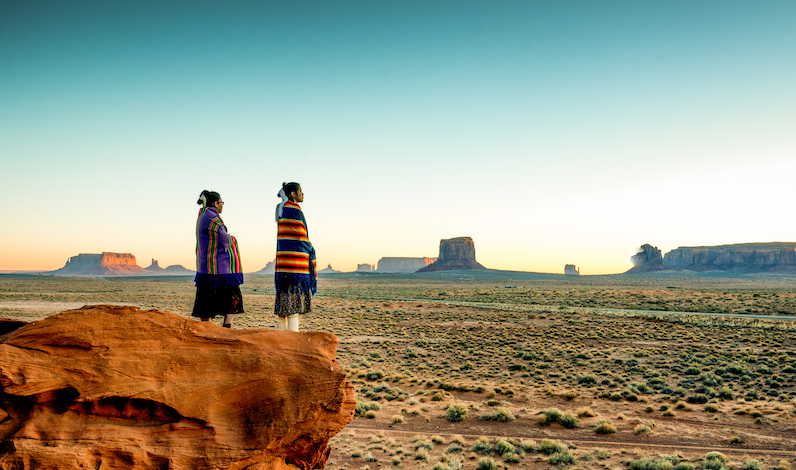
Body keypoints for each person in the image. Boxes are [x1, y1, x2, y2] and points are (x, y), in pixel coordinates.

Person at [193, 190, 244, 327]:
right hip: (219, 268)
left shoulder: (202, 216)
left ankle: (206, 328)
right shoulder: (213, 218)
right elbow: (225, 240)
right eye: (221, 203)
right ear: (216, 203)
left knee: (206, 301)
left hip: (205, 267)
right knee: (233, 297)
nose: (222, 206)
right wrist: (233, 239)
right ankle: (226, 327)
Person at [274, 182, 316, 332]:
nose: (302, 194)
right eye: (300, 191)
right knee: (293, 307)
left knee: (284, 303)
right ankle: (292, 339)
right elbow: (300, 236)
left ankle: (282, 339)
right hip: (295, 266)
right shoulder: (294, 210)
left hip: (283, 265)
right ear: (293, 194)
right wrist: (310, 249)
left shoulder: (281, 209)